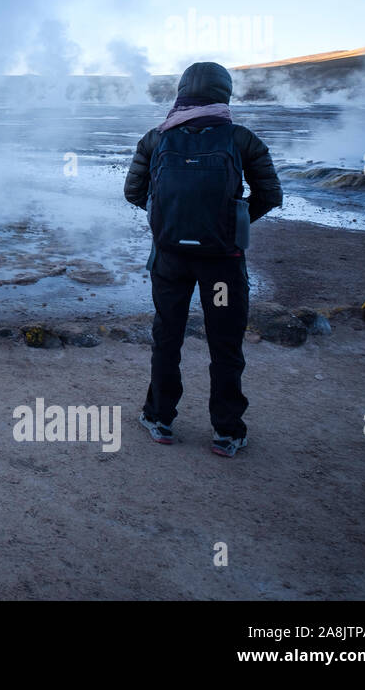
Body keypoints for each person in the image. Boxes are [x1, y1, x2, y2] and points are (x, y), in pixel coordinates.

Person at [123, 62, 283, 458]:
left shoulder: (155, 139)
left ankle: (159, 418)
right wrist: (234, 222)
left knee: (168, 336)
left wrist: (167, 219)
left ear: (181, 92)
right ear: (223, 94)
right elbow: (271, 195)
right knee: (224, 342)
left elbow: (133, 193)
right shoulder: (241, 139)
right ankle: (227, 432)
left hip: (171, 262)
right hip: (222, 266)